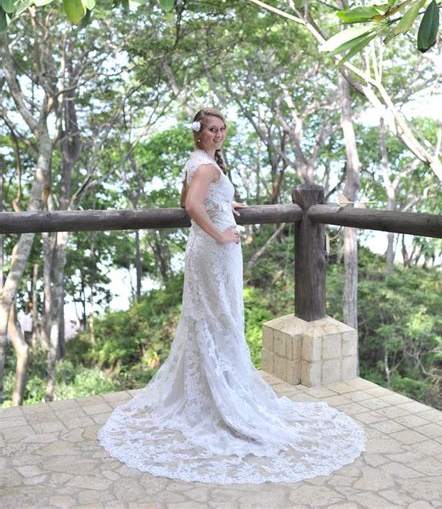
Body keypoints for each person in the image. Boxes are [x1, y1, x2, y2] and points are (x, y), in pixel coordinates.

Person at [97, 107, 367, 484]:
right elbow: (191, 207)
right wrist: (220, 232)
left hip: (204, 251)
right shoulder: (206, 166)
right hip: (215, 250)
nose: (218, 134)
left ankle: (207, 393)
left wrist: (225, 204)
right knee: (220, 316)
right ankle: (219, 400)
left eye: (222, 129)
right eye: (211, 129)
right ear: (198, 132)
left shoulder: (197, 163)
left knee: (210, 316)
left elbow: (190, 200)